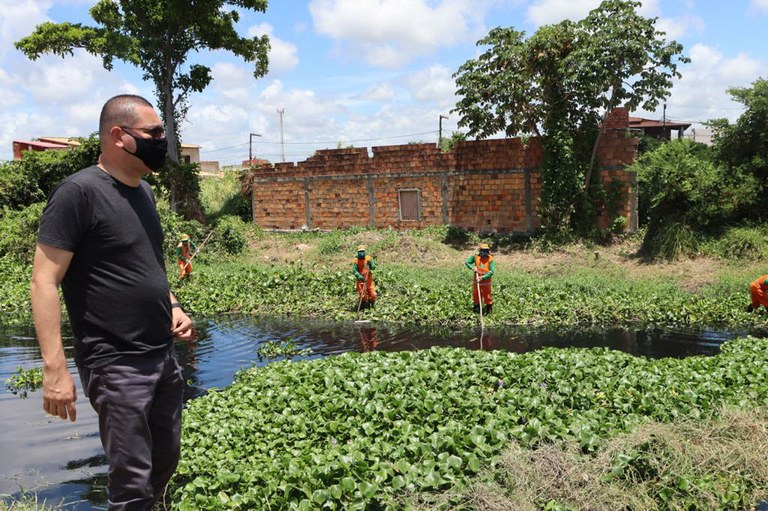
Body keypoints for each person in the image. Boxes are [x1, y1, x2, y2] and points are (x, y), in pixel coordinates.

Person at [29, 94, 194, 511]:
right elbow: (43, 281)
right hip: (115, 362)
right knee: (132, 481)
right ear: (119, 137)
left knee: (165, 461)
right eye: (154, 132)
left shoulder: (144, 193)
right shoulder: (78, 193)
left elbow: (148, 265)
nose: (163, 140)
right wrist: (55, 368)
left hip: (161, 354)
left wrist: (172, 304)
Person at [466, 243, 495, 315]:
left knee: (487, 295)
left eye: (486, 250)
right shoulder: (476, 257)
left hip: (486, 281)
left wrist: (483, 277)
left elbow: (491, 271)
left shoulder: (490, 259)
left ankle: (488, 311)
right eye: (483, 250)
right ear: (480, 251)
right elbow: (467, 262)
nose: (485, 252)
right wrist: (473, 268)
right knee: (476, 294)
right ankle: (477, 309)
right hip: (477, 280)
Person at [353, 245, 377, 309]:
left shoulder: (368, 258)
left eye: (362, 251)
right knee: (362, 295)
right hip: (361, 280)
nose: (361, 253)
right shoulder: (356, 260)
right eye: (360, 252)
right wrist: (359, 276)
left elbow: (373, 267)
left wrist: (372, 264)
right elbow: (354, 271)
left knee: (373, 294)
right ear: (357, 252)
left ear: (365, 251)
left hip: (369, 279)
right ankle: (362, 306)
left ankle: (371, 304)